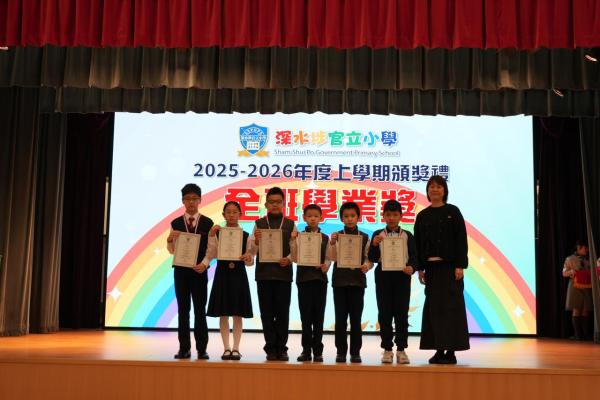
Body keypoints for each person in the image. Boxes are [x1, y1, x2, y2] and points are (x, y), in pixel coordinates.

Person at [414, 175, 469, 364]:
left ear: (444, 190)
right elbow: (418, 243)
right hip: (431, 269)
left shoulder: (453, 211)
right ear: (427, 191)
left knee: (451, 309)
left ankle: (451, 352)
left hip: (450, 268)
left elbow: (461, 239)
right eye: (431, 187)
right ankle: (438, 349)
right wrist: (420, 268)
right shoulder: (423, 215)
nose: (435, 189)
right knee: (434, 310)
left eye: (439, 186)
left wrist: (460, 265)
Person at [166, 183, 214, 360]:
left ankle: (202, 349)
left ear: (200, 200)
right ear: (183, 201)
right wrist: (169, 240)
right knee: (183, 310)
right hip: (181, 272)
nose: (191, 202)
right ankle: (184, 348)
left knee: (200, 310)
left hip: (199, 272)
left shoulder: (208, 223)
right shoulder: (175, 223)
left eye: (194, 199)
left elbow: (212, 248)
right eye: (187, 199)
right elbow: (172, 251)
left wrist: (205, 263)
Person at [368, 199, 418, 364]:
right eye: (388, 215)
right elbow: (372, 258)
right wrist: (374, 245)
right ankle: (387, 349)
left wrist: (412, 267)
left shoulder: (407, 235)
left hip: (402, 277)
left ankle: (401, 349)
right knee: (385, 313)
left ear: (401, 216)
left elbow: (414, 256)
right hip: (383, 277)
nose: (391, 218)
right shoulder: (378, 234)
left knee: (402, 314)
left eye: (395, 215)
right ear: (383, 216)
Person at [251, 187, 297, 361]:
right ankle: (270, 348)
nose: (275, 205)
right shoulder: (259, 224)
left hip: (283, 275)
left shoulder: (291, 224)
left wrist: (289, 259)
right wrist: (256, 241)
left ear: (284, 204)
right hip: (263, 275)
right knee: (267, 313)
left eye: (278, 202)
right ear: (266, 205)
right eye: (271, 202)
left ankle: (282, 348)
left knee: (283, 313)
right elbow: (251, 251)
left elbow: (296, 251)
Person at [206, 201, 255, 360]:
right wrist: (211, 235)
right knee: (223, 313)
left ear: (240, 214)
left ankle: (236, 348)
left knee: (238, 314)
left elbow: (250, 260)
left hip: (239, 275)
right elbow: (212, 253)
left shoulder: (246, 235)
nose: (232, 215)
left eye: (235, 212)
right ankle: (226, 348)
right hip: (222, 274)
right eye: (228, 212)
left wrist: (248, 258)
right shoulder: (217, 233)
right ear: (223, 215)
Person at [328, 201, 373, 364]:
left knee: (355, 319)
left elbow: (369, 259)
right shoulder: (336, 236)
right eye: (346, 216)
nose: (349, 219)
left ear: (358, 217)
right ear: (341, 218)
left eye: (352, 216)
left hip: (357, 282)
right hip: (339, 282)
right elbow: (331, 257)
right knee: (340, 319)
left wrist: (366, 266)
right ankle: (340, 352)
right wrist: (332, 243)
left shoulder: (365, 237)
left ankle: (355, 352)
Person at [291, 204, 331, 363]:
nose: (313, 219)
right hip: (303, 280)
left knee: (318, 317)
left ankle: (318, 351)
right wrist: (293, 241)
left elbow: (329, 257)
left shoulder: (325, 238)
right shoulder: (299, 236)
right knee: (306, 318)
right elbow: (295, 257)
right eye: (309, 216)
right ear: (304, 218)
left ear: (321, 218)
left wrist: (325, 266)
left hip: (320, 280)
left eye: (316, 216)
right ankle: (306, 351)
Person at [563, 240, 593, 340]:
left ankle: (585, 335)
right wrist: (572, 271)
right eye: (585, 248)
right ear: (579, 247)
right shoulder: (570, 259)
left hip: (587, 285)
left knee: (585, 309)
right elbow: (564, 273)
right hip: (575, 285)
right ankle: (578, 335)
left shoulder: (588, 259)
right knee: (576, 309)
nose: (587, 250)